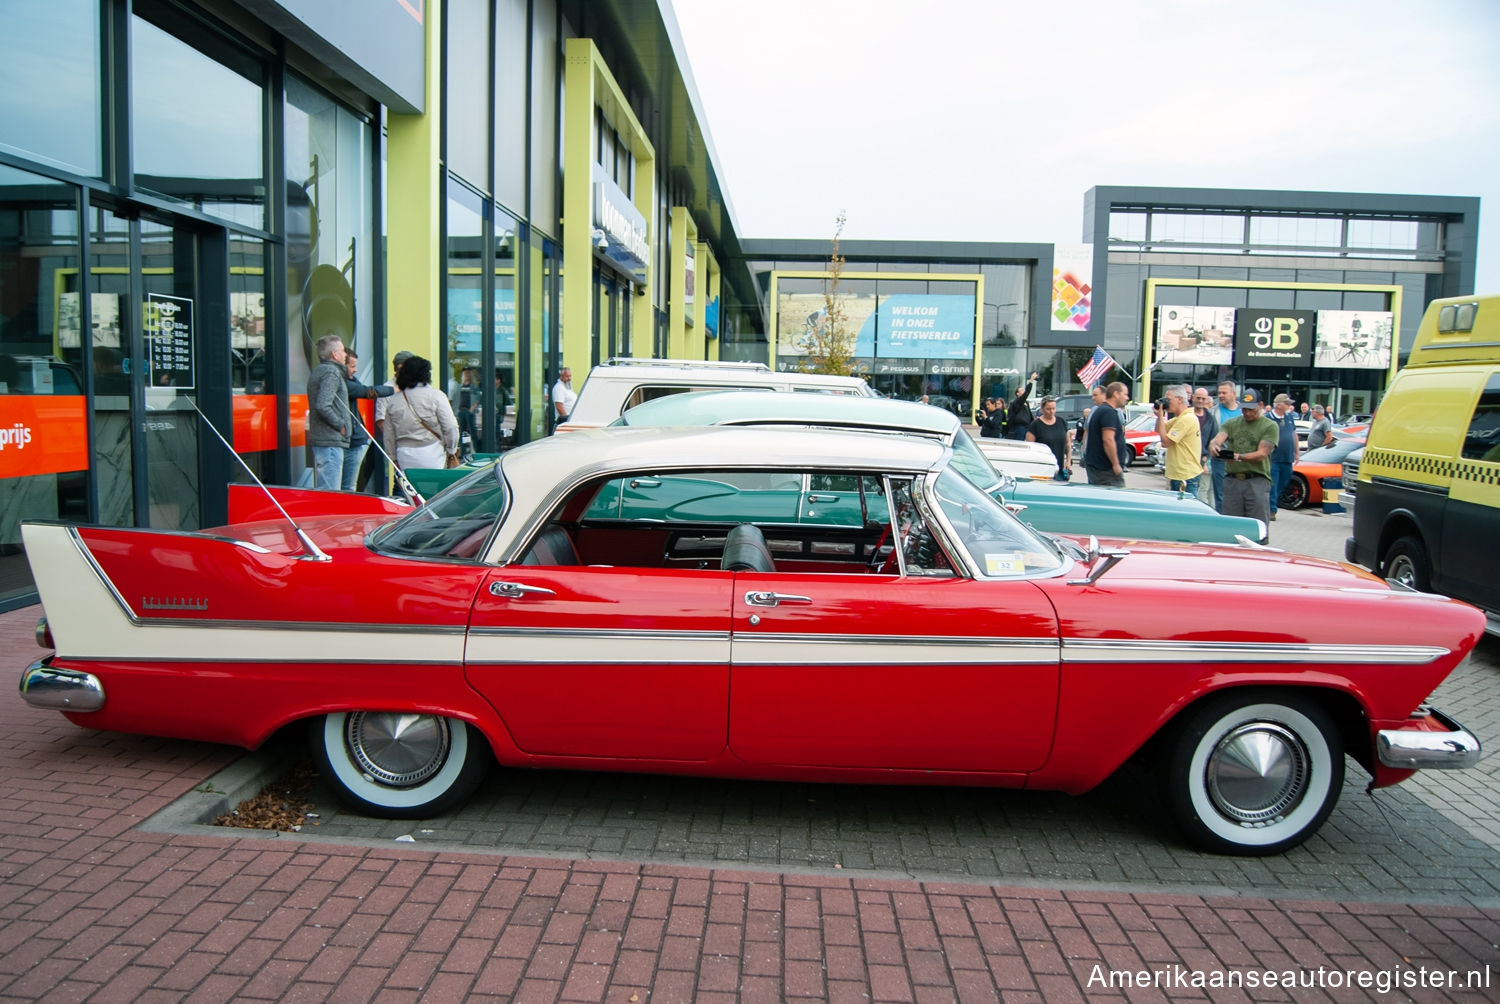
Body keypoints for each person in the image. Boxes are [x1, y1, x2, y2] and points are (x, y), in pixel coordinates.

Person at [1208, 388, 1278, 525]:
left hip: (1256, 480)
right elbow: (1218, 439)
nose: (1246, 412)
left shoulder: (1269, 426)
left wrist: (1238, 456)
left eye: (1251, 409)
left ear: (1260, 405)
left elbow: (1262, 454)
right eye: (1244, 408)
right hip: (1232, 480)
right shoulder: (1232, 423)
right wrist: (1214, 446)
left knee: (1257, 524)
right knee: (1230, 525)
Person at [383, 355, 459, 480]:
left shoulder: (394, 401)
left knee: (409, 494)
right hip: (432, 453)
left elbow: (388, 435)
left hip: (404, 455)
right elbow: (451, 426)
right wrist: (451, 450)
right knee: (434, 494)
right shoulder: (436, 396)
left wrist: (393, 459)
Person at [358, 349, 413, 493]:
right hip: (399, 443)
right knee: (401, 482)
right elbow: (381, 420)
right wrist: (394, 439)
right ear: (396, 369)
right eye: (401, 367)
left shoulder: (416, 387)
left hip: (417, 443)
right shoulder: (388, 388)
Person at [340, 347, 394, 491]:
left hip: (354, 439)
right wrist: (394, 390)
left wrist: (349, 374)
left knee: (349, 484)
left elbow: (358, 386)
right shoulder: (342, 384)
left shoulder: (347, 381)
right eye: (352, 366)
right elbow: (364, 391)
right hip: (350, 439)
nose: (356, 370)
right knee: (348, 486)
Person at [306, 334, 350, 490]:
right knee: (330, 493)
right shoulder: (331, 373)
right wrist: (340, 425)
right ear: (334, 354)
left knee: (326, 491)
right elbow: (323, 405)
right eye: (343, 351)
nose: (346, 355)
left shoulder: (320, 371)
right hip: (330, 440)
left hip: (325, 439)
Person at [1156, 385, 1202, 496]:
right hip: (1178, 474)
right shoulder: (1179, 418)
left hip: (1186, 476)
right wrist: (1160, 415)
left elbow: (1165, 442)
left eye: (1168, 400)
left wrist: (1161, 416)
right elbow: (1159, 429)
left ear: (1180, 399)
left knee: (1186, 512)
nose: (1166, 402)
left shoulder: (1187, 418)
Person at [1082, 381, 1128, 487]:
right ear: (1116, 394)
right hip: (1106, 472)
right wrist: (1116, 465)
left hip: (1099, 469)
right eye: (1125, 394)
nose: (1127, 398)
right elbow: (1108, 439)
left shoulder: (1100, 410)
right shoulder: (1108, 412)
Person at [1268, 393, 1300, 520]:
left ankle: (1272, 503)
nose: (1289, 406)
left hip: (1287, 458)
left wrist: (1297, 452)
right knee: (1273, 484)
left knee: (1284, 481)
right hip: (1274, 458)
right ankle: (1271, 510)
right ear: (1279, 405)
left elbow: (1294, 433)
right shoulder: (1268, 418)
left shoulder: (1289, 417)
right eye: (1287, 404)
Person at [1210, 380, 1241, 512]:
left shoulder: (1244, 411)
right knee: (1221, 496)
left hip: (1240, 460)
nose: (1221, 395)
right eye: (1219, 393)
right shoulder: (1213, 412)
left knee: (1238, 496)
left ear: (1233, 393)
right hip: (1220, 460)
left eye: (1224, 392)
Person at [1026, 396, 1072, 479]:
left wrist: (1068, 461)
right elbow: (1030, 448)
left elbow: (1068, 443)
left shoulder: (1061, 422)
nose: (1051, 411)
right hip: (1043, 470)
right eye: (1048, 409)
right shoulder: (1035, 425)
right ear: (1042, 409)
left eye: (1053, 408)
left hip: (1060, 469)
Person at [1191, 387, 1219, 503]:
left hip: (1202, 459)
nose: (1200, 401)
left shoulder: (1210, 419)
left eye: (1203, 398)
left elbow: (1213, 438)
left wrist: (1205, 459)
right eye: (1198, 398)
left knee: (1201, 488)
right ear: (1193, 398)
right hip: (1186, 458)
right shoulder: (1186, 415)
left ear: (1207, 400)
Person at [1005, 372, 1038, 440]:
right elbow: (1026, 394)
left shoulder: (1026, 402)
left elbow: (1028, 413)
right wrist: (1031, 380)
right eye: (1022, 390)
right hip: (1020, 427)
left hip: (1027, 426)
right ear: (1017, 393)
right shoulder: (1017, 402)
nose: (1024, 391)